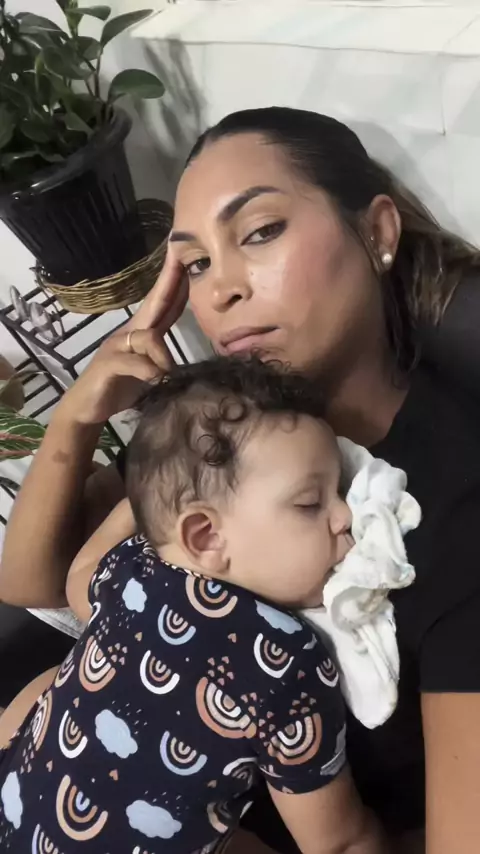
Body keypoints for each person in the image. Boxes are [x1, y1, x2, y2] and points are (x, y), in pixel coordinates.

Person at [1, 106, 480, 853]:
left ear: (378, 232)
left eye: (259, 232)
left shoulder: (455, 510)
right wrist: (78, 412)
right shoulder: (229, 424)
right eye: (195, 264)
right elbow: (33, 586)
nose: (219, 290)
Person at [0, 357, 383, 854]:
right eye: (311, 503)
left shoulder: (134, 567)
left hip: (17, 813)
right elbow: (338, 842)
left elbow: (80, 581)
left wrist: (147, 507)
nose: (345, 515)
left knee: (42, 688)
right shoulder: (285, 666)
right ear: (205, 536)